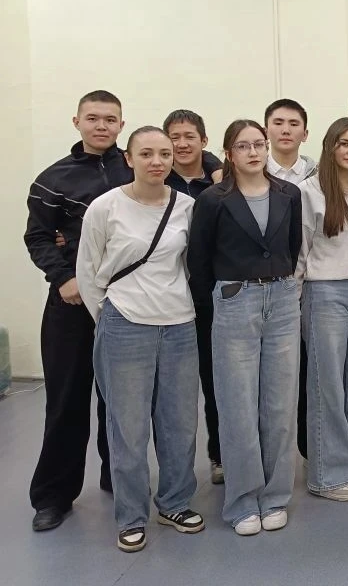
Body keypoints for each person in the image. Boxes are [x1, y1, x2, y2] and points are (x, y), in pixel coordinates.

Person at [77, 126, 204, 552]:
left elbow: (191, 264)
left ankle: (175, 502)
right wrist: (108, 315)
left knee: (180, 423)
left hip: (179, 324)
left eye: (165, 153)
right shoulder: (105, 207)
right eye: (146, 153)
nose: (157, 161)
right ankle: (131, 515)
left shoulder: (187, 206)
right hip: (125, 322)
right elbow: (87, 270)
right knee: (127, 427)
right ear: (128, 159)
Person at [24, 90, 133, 532]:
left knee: (121, 400)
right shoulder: (53, 179)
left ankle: (117, 475)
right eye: (93, 118)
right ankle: (53, 496)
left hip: (125, 305)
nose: (101, 126)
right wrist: (64, 278)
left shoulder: (136, 166)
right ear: (77, 122)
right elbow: (37, 237)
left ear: (122, 124)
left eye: (110, 119)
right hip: (70, 304)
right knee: (66, 401)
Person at [187, 119, 303, 535]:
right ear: (229, 153)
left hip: (283, 298)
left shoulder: (288, 194)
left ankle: (275, 496)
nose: (253, 152)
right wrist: (216, 303)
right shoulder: (213, 200)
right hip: (235, 299)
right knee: (237, 405)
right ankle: (242, 502)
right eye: (243, 146)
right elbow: (198, 261)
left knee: (279, 404)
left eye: (258, 144)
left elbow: (292, 246)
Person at [297, 117, 348, 503]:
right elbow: (299, 251)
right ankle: (327, 474)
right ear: (330, 146)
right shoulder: (309, 190)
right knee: (327, 383)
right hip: (324, 290)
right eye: (344, 144)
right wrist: (295, 298)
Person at [163, 109, 224, 485]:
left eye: (189, 136)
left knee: (217, 381)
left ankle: (220, 455)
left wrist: (218, 170)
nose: (182, 144)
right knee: (173, 391)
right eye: (175, 137)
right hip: (166, 298)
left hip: (210, 297)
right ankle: (173, 474)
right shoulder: (156, 177)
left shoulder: (220, 182)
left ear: (203, 140)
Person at [264, 98, 316, 461]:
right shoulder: (250, 172)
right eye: (279, 123)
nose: (286, 130)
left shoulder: (316, 175)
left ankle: (310, 448)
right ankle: (270, 454)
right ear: (266, 129)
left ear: (305, 133)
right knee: (270, 375)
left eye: (293, 124)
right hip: (266, 285)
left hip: (310, 284)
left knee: (308, 369)